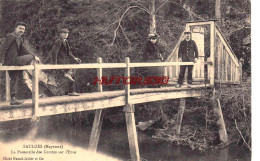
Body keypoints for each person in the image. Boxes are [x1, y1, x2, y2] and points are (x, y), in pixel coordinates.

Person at [0, 22, 40, 105]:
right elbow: (3, 49)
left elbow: (24, 50)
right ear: (16, 28)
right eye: (20, 28)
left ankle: (13, 99)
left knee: (14, 79)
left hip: (15, 62)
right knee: (29, 57)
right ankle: (23, 70)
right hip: (11, 61)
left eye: (23, 29)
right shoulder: (11, 36)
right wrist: (1, 61)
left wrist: (34, 55)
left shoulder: (20, 39)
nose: (22, 30)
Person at [51, 28, 81, 96]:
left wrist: (74, 58)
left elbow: (68, 52)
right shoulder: (58, 41)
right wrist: (55, 64)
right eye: (64, 33)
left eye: (67, 33)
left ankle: (71, 91)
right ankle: (71, 91)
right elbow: (54, 52)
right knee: (70, 75)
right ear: (60, 34)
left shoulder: (66, 41)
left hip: (65, 61)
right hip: (59, 62)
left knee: (71, 74)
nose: (66, 35)